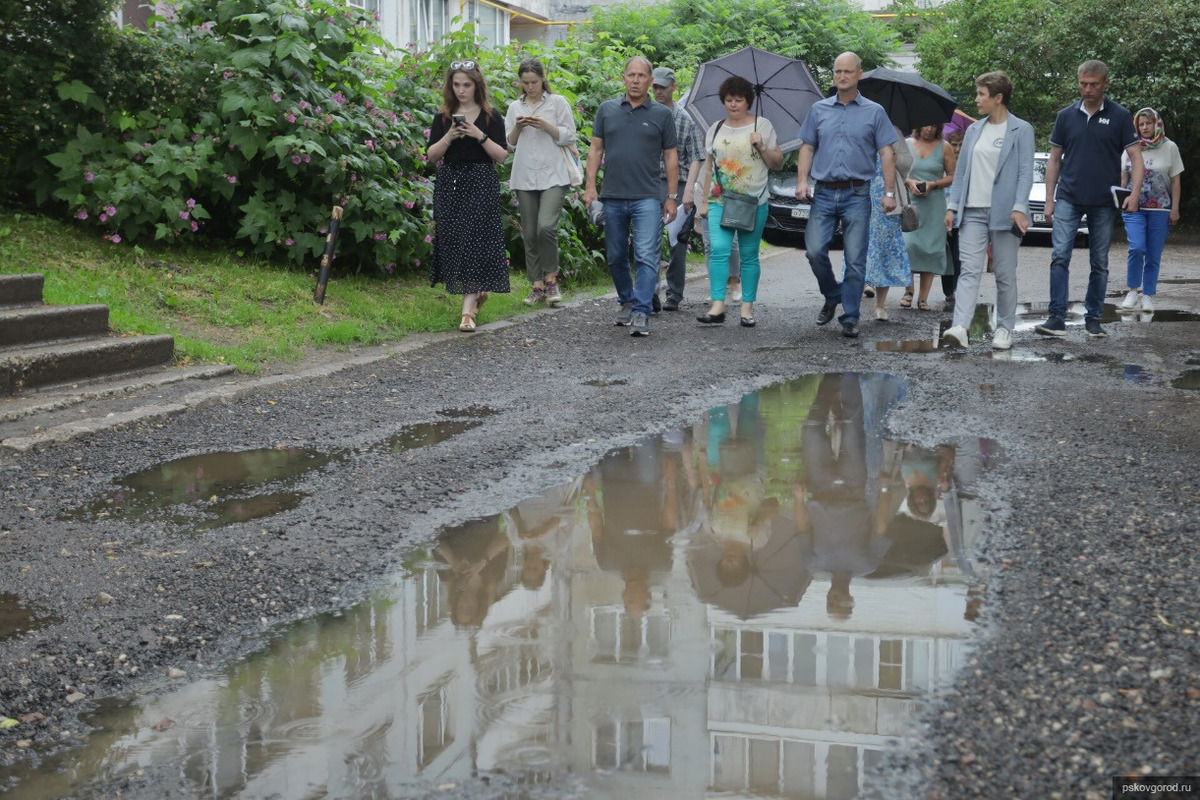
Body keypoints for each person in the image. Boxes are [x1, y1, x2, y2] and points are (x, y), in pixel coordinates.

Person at [1035, 60, 1143, 339]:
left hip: (1104, 202)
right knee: (1059, 256)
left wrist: (1134, 193)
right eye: (1083, 83)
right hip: (1069, 197)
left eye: (1093, 84)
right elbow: (1054, 160)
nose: (1087, 89)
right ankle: (1056, 317)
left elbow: (1136, 159)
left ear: (1105, 83)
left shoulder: (1120, 116)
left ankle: (1093, 318)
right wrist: (1049, 200)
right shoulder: (1066, 116)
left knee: (1100, 262)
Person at [796, 52, 899, 338]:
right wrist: (802, 181)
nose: (842, 76)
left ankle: (851, 316)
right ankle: (832, 294)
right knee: (814, 250)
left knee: (855, 258)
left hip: (857, 193)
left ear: (859, 74)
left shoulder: (875, 112)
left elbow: (887, 153)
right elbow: (807, 147)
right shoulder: (818, 110)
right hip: (825, 192)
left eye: (848, 72)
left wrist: (889, 192)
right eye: (838, 71)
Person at [584, 57, 679, 338]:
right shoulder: (607, 110)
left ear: (650, 80)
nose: (636, 80)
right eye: (631, 75)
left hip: (648, 197)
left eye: (641, 75)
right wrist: (591, 187)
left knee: (646, 255)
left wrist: (671, 196)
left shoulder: (662, 114)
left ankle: (641, 311)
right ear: (623, 78)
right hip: (612, 196)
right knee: (615, 256)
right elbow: (595, 149)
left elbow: (671, 156)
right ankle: (626, 299)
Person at [943, 71, 1034, 350]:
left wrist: (1019, 207)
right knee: (969, 270)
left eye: (982, 94)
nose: (976, 99)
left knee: (1004, 274)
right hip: (972, 212)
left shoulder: (1021, 130)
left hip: (1006, 213)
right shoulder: (973, 130)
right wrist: (952, 207)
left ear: (998, 98)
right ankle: (960, 326)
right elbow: (960, 175)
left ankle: (1005, 329)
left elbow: (1025, 174)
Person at [426, 59, 511, 333]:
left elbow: (501, 156)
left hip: (481, 182)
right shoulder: (443, 117)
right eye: (457, 84)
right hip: (451, 182)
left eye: (467, 85)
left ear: (477, 85)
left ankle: (467, 313)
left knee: (475, 238)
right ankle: (477, 294)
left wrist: (479, 135)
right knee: (456, 240)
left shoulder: (490, 116)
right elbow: (431, 156)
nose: (461, 90)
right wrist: (450, 136)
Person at [696, 75, 784, 327]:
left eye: (739, 100)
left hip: (753, 202)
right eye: (728, 100)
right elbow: (710, 166)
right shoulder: (715, 128)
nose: (733, 104)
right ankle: (717, 306)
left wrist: (762, 146)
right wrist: (703, 202)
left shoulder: (762, 125)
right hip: (719, 200)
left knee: (748, 255)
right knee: (718, 252)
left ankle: (747, 308)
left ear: (748, 102)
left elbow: (776, 163)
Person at [505, 58, 577, 308]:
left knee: (546, 226)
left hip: (554, 175)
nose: (530, 87)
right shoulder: (515, 106)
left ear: (543, 79)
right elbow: (509, 144)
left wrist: (546, 126)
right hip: (525, 175)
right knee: (530, 232)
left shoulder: (557, 103)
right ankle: (536, 285)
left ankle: (551, 280)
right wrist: (518, 126)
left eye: (534, 82)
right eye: (525, 83)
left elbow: (570, 135)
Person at [1119, 108, 1184, 313]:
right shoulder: (1130, 147)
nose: (1145, 127)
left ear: (1157, 124)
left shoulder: (1170, 147)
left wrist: (1175, 208)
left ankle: (1147, 295)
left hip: (1161, 210)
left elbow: (1175, 181)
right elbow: (1124, 179)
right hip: (1134, 208)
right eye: (1141, 124)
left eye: (1149, 123)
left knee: (1154, 254)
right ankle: (1132, 291)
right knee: (1137, 248)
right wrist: (1121, 202)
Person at [652, 67, 705, 312]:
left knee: (676, 242)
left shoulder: (685, 119)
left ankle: (674, 293)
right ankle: (649, 290)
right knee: (648, 238)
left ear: (673, 86)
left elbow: (697, 156)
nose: (658, 91)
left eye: (663, 87)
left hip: (680, 182)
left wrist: (688, 192)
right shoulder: (647, 115)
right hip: (652, 183)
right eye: (655, 87)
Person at [903, 124, 957, 311]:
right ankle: (908, 290)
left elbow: (952, 176)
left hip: (935, 204)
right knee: (908, 245)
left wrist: (934, 184)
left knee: (931, 248)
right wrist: (909, 182)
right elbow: (896, 171)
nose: (928, 129)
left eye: (933, 125)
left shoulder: (944, 147)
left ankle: (923, 298)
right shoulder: (906, 144)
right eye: (925, 124)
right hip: (911, 204)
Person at [866, 130, 913, 321]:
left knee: (884, 251)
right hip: (861, 197)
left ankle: (880, 305)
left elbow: (907, 164)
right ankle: (854, 298)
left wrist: (894, 157)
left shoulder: (892, 130)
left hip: (888, 202)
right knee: (859, 248)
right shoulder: (859, 123)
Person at [942, 129, 965, 311]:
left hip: (962, 216)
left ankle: (956, 288)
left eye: (960, 145)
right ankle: (948, 290)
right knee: (946, 254)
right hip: (944, 214)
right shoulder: (944, 163)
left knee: (959, 255)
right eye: (954, 145)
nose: (957, 149)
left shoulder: (968, 164)